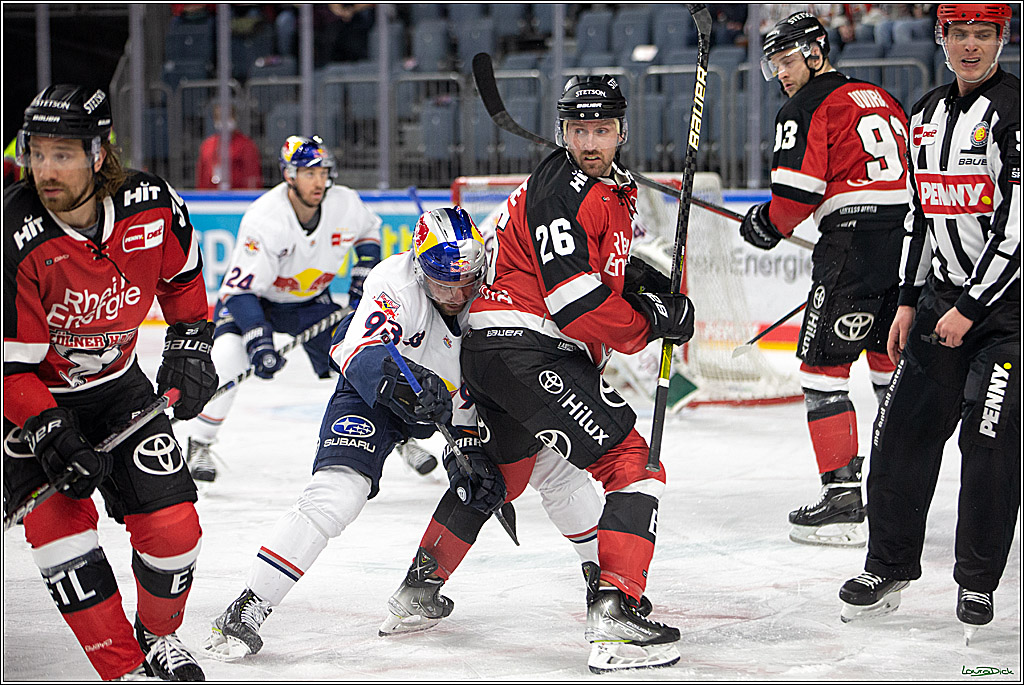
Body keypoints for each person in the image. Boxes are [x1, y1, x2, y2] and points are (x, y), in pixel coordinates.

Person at [382, 75, 696, 674]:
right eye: (579, 131)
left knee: (501, 474)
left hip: (496, 353)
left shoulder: (598, 189)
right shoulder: (566, 188)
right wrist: (651, 323)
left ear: (622, 132)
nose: (590, 141)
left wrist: (649, 288)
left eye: (601, 130)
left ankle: (417, 591)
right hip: (526, 350)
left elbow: (595, 271)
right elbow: (576, 303)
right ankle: (616, 614)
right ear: (563, 133)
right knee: (633, 461)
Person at [199, 207, 489, 659]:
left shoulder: (488, 292)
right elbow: (359, 350)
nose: (456, 292)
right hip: (375, 396)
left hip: (453, 402)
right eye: (443, 281)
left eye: (466, 280)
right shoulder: (394, 281)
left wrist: (467, 439)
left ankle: (419, 590)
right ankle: (249, 604)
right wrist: (403, 381)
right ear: (418, 264)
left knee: (482, 484)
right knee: (337, 494)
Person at [3, 84, 218, 681]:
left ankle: (158, 636)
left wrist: (188, 344)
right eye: (35, 153)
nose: (45, 170)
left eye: (63, 154)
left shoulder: (151, 202)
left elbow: (183, 280)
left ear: (99, 154)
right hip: (30, 403)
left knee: (175, 531)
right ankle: (123, 671)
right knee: (64, 542)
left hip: (119, 390)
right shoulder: (13, 233)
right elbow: (10, 368)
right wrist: (48, 433)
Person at [839, 3, 1019, 643]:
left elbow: (1018, 228)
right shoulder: (925, 114)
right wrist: (911, 301)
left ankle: (976, 581)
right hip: (940, 305)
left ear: (1003, 38)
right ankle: (889, 566)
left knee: (989, 444)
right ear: (942, 38)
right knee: (899, 435)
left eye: (984, 34)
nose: (971, 46)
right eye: (960, 33)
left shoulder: (1014, 114)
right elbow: (920, 216)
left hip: (1004, 317)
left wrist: (971, 310)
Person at [740, 12, 910, 547]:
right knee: (888, 359)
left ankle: (842, 499)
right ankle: (900, 490)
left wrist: (765, 224)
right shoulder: (879, 96)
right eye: (774, 65)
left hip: (853, 248)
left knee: (822, 368)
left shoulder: (807, 105)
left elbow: (794, 200)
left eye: (787, 60)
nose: (782, 74)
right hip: (906, 243)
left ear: (816, 52)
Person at [182, 134, 388, 484]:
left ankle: (396, 439)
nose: (319, 181)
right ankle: (200, 441)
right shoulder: (265, 218)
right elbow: (241, 291)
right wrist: (259, 340)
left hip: (310, 302)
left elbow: (370, 232)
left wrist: (363, 273)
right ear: (289, 175)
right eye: (309, 173)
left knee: (361, 357)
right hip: (255, 301)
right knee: (229, 357)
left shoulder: (345, 204)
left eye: (323, 172)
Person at [194, 102, 263, 190]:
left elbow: (252, 176)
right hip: (210, 198)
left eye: (227, 117)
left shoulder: (246, 145)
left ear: (234, 118)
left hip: (237, 197)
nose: (223, 121)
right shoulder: (207, 145)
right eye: (218, 118)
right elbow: (201, 175)